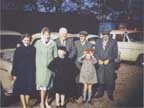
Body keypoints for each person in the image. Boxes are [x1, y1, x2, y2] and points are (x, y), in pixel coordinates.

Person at [34, 27, 57, 108]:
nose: (47, 36)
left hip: (50, 69)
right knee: (43, 87)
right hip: (40, 68)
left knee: (48, 87)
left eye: (48, 34)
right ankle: (42, 103)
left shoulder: (53, 44)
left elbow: (55, 56)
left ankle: (46, 102)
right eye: (45, 34)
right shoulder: (38, 43)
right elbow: (33, 54)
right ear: (42, 34)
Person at [11, 33, 35, 108]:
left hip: (29, 71)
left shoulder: (33, 49)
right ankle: (24, 106)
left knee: (28, 89)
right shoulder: (18, 49)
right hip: (20, 71)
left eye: (28, 40)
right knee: (21, 89)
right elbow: (15, 62)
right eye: (25, 40)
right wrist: (14, 74)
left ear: (30, 40)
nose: (27, 41)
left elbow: (34, 61)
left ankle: (26, 104)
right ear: (22, 40)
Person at [95, 31, 118, 101]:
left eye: (106, 35)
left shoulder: (113, 42)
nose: (105, 36)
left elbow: (115, 54)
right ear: (102, 35)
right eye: (104, 34)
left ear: (109, 35)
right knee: (100, 78)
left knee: (110, 79)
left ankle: (110, 94)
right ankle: (100, 93)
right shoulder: (98, 41)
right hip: (100, 64)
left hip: (109, 64)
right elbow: (95, 52)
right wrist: (98, 59)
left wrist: (109, 60)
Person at [74, 31, 93, 101]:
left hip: (84, 66)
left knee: (83, 81)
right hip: (76, 65)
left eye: (83, 36)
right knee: (76, 81)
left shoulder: (89, 45)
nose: (81, 38)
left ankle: (83, 96)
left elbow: (90, 56)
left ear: (85, 37)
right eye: (80, 36)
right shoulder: (76, 43)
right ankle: (77, 95)